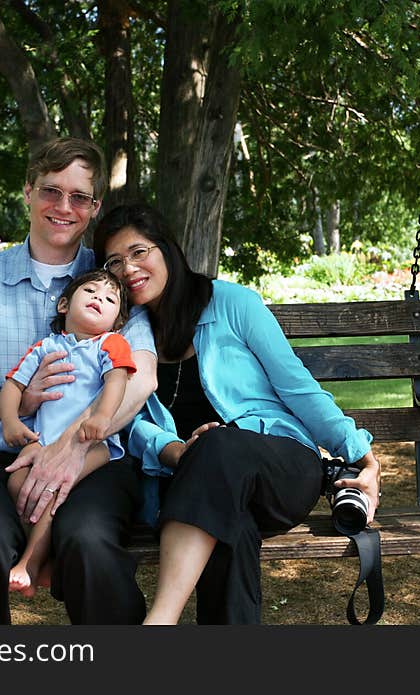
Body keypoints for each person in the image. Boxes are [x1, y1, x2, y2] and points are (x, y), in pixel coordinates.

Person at [0, 137, 156, 625]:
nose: (63, 207)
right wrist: (11, 402)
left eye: (79, 196)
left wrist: (71, 446)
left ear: (95, 206)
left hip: (93, 463)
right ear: (27, 192)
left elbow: (140, 378)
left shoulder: (114, 286)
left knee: (90, 543)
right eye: (51, 191)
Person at [92, 202, 382, 625]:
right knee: (232, 530)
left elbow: (297, 388)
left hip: (278, 466)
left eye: (139, 252)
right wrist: (171, 449)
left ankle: (160, 622)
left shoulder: (232, 303)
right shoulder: (128, 332)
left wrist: (363, 456)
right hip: (195, 482)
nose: (128, 269)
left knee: (218, 445)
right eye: (114, 261)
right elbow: (127, 418)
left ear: (167, 249)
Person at [0, 269, 136, 596]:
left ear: (117, 320)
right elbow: (13, 384)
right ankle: (46, 555)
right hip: (43, 442)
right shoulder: (46, 346)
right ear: (64, 304)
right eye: (89, 291)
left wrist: (101, 417)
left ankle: (31, 563)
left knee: (56, 486)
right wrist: (10, 422)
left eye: (109, 299)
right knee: (16, 481)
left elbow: (117, 381)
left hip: (94, 444)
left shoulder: (111, 343)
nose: (97, 299)